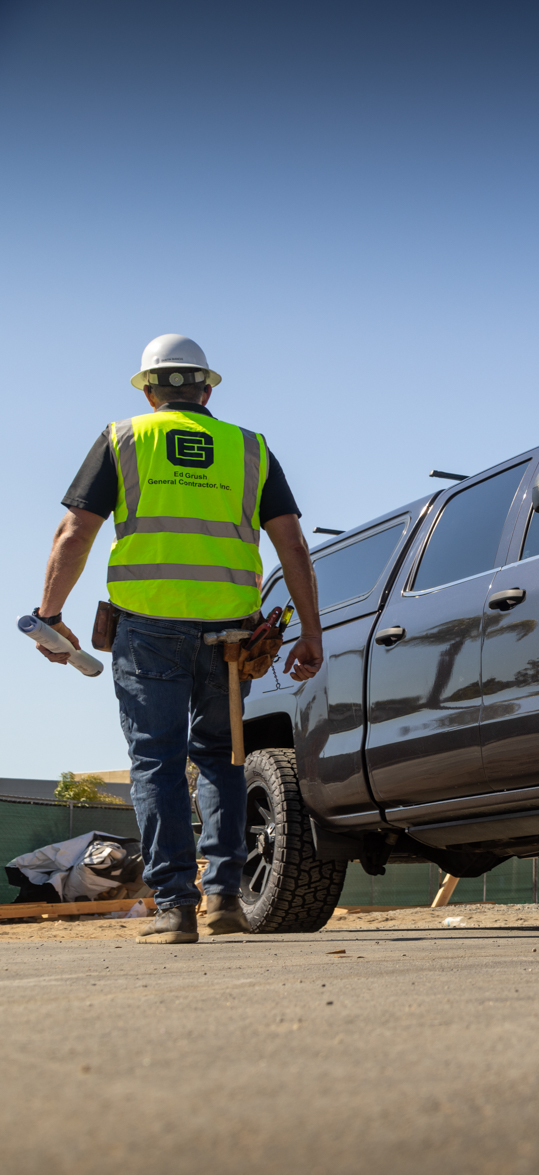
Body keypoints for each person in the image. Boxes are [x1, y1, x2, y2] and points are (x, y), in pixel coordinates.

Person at [33, 335, 323, 943]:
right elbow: (292, 543)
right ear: (206, 389)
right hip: (232, 633)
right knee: (222, 759)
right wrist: (310, 630)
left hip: (148, 629)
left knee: (156, 764)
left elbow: (74, 533)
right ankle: (225, 901)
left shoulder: (123, 438)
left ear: (148, 389)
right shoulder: (249, 447)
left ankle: (175, 910)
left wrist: (50, 616)